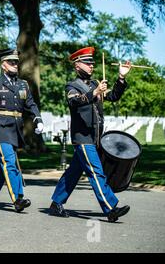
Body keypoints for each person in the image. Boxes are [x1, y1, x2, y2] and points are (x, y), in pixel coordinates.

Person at [48, 46, 132, 223]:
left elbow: (114, 96)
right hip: (82, 137)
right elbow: (74, 102)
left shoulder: (95, 84)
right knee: (96, 172)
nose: (91, 66)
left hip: (95, 138)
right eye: (87, 63)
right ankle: (110, 208)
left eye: (92, 63)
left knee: (73, 172)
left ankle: (56, 203)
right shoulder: (72, 86)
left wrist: (121, 77)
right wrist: (95, 93)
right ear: (77, 65)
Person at [0, 49, 44, 212]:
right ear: (3, 65)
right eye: (11, 62)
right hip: (0, 126)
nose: (15, 65)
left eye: (16, 62)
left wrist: (38, 119)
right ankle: (18, 198)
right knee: (9, 161)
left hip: (16, 128)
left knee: (3, 163)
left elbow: (31, 104)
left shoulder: (22, 84)